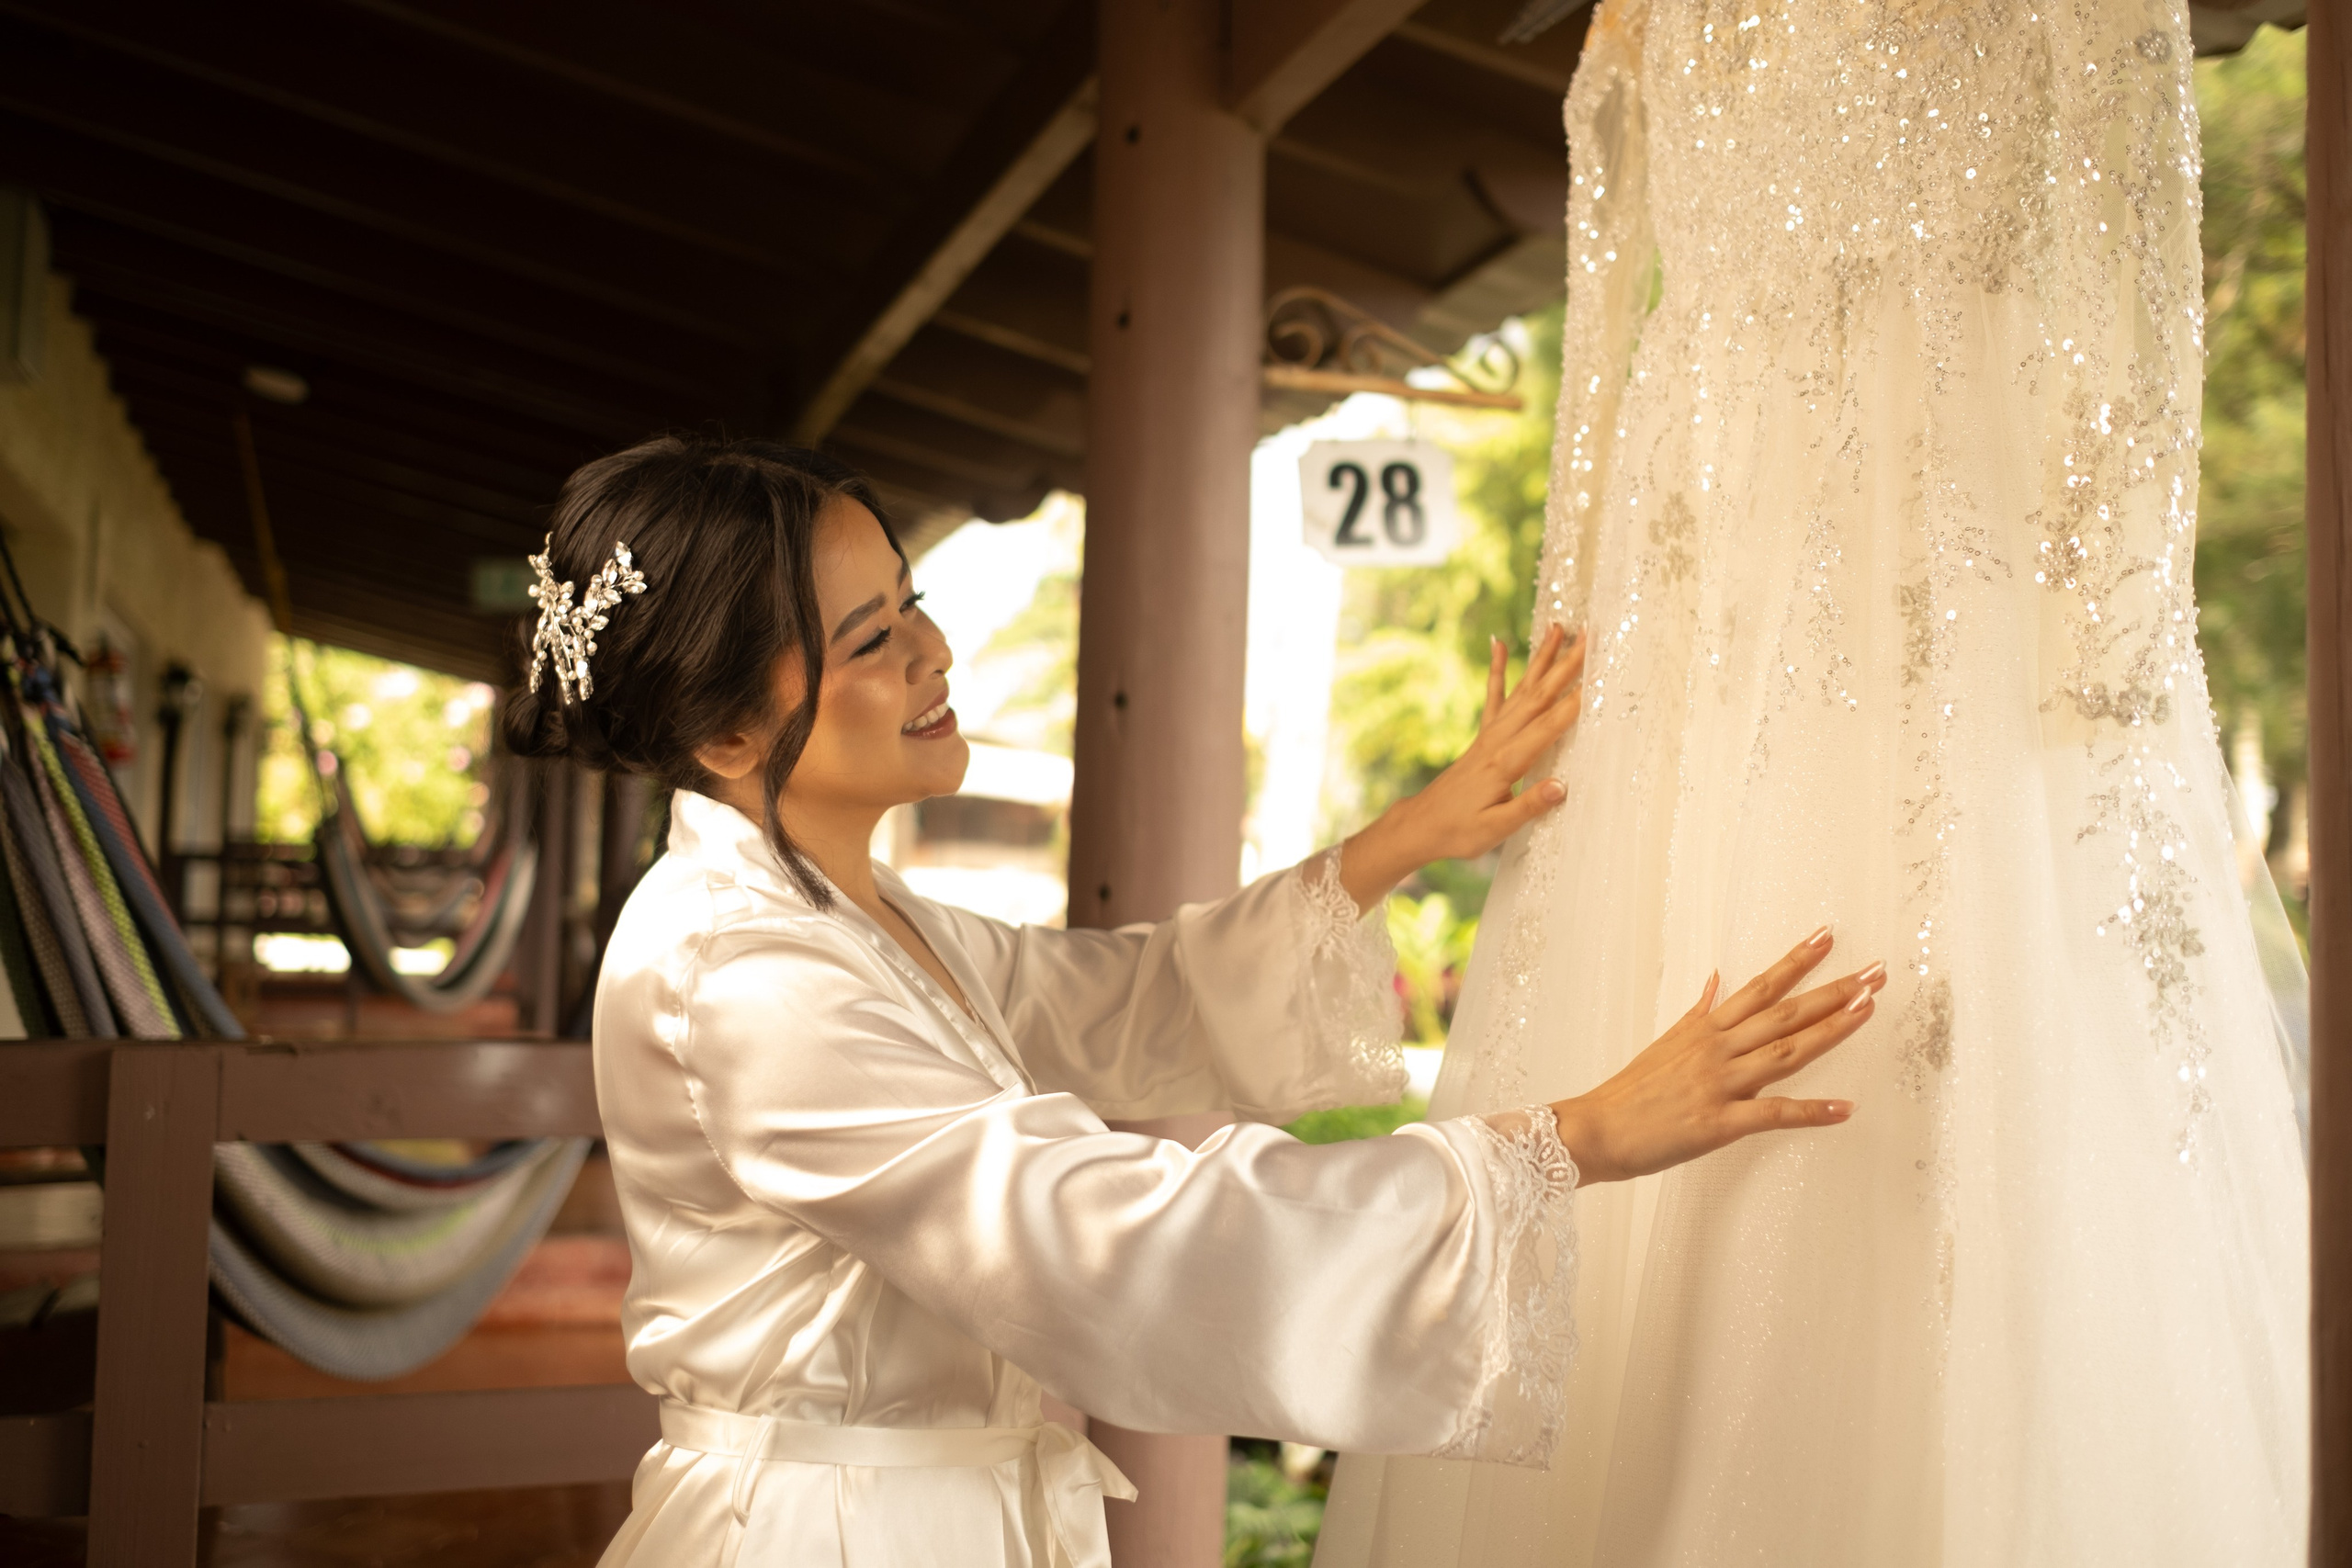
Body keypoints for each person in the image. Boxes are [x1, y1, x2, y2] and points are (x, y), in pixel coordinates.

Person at [502, 434, 1884, 1568]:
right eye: (871, 639)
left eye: (912, 597)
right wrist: (1566, 1142)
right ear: (730, 734)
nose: (935, 650)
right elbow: (1092, 1232)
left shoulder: (844, 911)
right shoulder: (745, 981)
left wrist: (1398, 840)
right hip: (832, 1534)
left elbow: (1115, 1000)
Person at [1316, 2, 2312, 1565]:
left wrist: (2106, 631)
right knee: (1707, 1045)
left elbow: (2138, 273)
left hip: (1956, 587)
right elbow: (1603, 315)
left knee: (1943, 1080)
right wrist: (1578, 622)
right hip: (1706, 614)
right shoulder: (1648, 16)